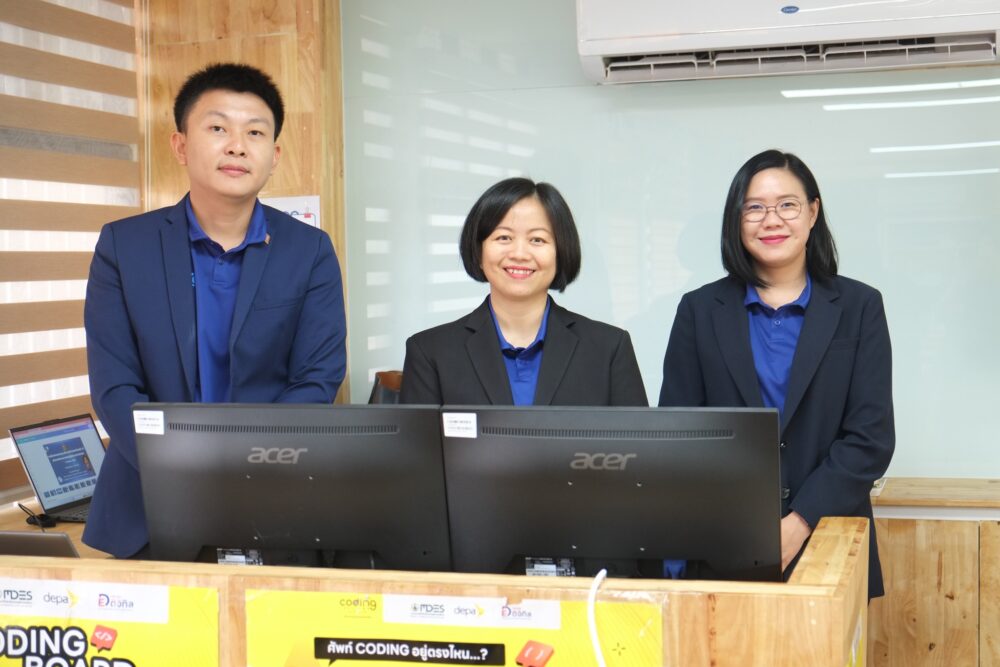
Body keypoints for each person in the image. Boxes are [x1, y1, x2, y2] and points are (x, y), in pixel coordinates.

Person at [83, 63, 347, 558]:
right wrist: (179, 469)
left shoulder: (309, 250)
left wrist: (248, 469)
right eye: (218, 128)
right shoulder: (124, 246)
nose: (237, 146)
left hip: (276, 502)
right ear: (180, 145)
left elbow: (316, 380)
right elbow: (115, 386)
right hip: (149, 507)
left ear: (275, 156)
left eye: (255, 133)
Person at [659, 149, 894, 599]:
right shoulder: (700, 310)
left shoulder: (859, 306)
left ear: (813, 212)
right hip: (723, 544)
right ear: (737, 219)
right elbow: (679, 432)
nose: (772, 220)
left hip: (831, 538)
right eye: (754, 207)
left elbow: (870, 438)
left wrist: (799, 521)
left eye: (787, 205)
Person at [401, 177, 647, 407]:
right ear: (478, 251)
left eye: (537, 240)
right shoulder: (430, 352)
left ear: (561, 253)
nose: (519, 254)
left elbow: (637, 439)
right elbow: (418, 441)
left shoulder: (609, 349)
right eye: (504, 237)